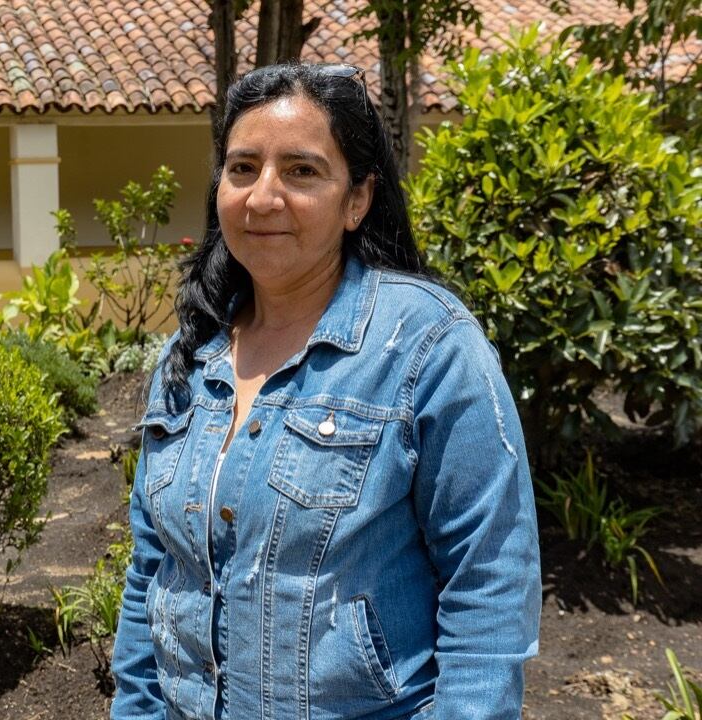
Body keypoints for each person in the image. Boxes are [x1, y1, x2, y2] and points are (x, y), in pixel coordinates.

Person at [109, 64, 540, 720]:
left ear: (358, 199)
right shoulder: (188, 356)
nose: (262, 197)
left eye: (302, 171)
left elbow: (489, 588)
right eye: (243, 167)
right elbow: (152, 573)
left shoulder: (427, 346)